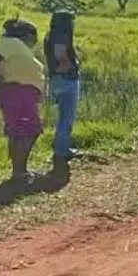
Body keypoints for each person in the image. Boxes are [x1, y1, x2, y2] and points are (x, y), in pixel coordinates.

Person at [0, 20, 45, 183]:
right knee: (30, 130)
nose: (36, 40)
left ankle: (19, 171)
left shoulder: (17, 47)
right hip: (18, 93)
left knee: (19, 131)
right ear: (28, 34)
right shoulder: (12, 44)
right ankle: (19, 172)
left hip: (22, 93)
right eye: (34, 35)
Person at [44, 11, 81, 166]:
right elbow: (62, 60)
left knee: (63, 117)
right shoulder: (60, 38)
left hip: (57, 80)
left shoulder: (51, 36)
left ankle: (61, 148)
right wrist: (74, 65)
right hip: (66, 80)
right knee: (66, 117)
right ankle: (61, 151)